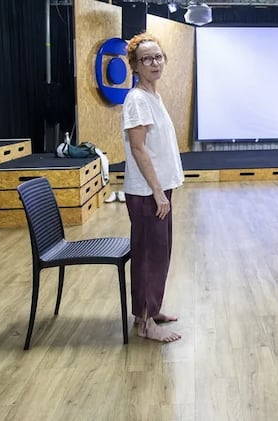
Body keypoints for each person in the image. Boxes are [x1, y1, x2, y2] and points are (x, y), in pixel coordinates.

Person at [122, 32, 184, 343]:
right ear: (135, 66)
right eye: (146, 59)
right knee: (149, 256)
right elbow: (138, 148)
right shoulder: (137, 100)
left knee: (159, 253)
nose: (154, 63)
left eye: (158, 57)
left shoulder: (152, 96)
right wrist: (158, 192)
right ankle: (145, 323)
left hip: (157, 190)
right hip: (148, 193)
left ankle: (151, 310)